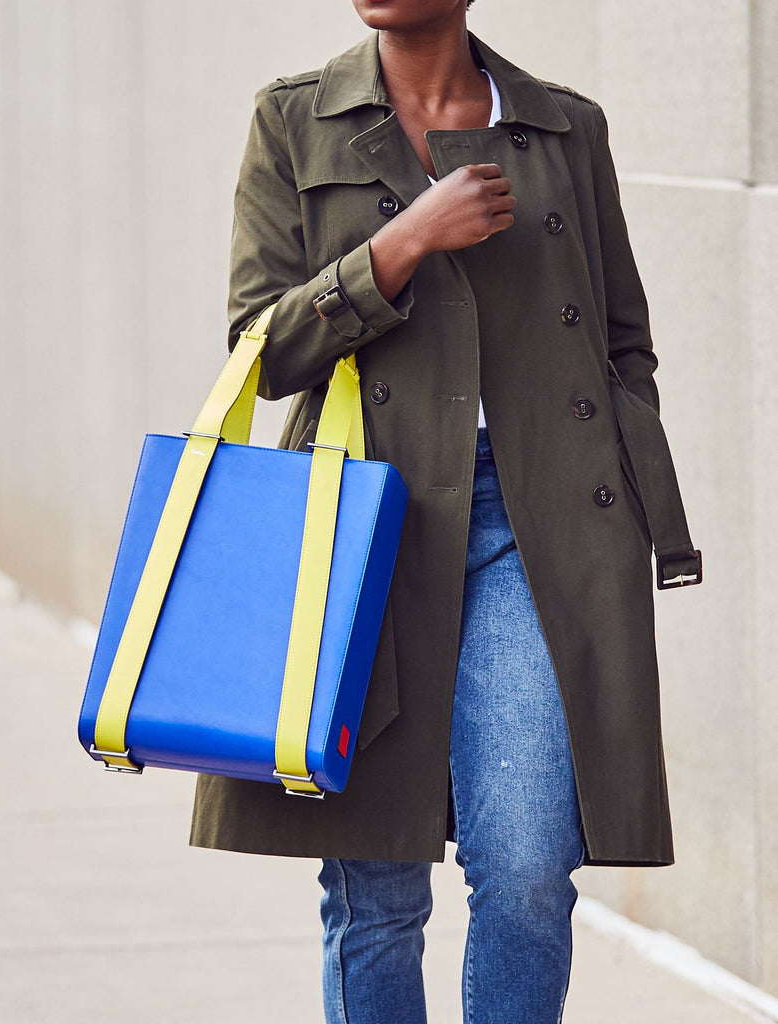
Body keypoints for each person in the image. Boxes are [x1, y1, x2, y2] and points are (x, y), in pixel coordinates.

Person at [190, 1, 702, 1021]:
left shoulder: (563, 128)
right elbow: (263, 345)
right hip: (367, 526)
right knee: (376, 891)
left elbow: (621, 340)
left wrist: (617, 463)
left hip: (534, 526)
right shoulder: (295, 119)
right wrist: (400, 246)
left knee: (525, 871)